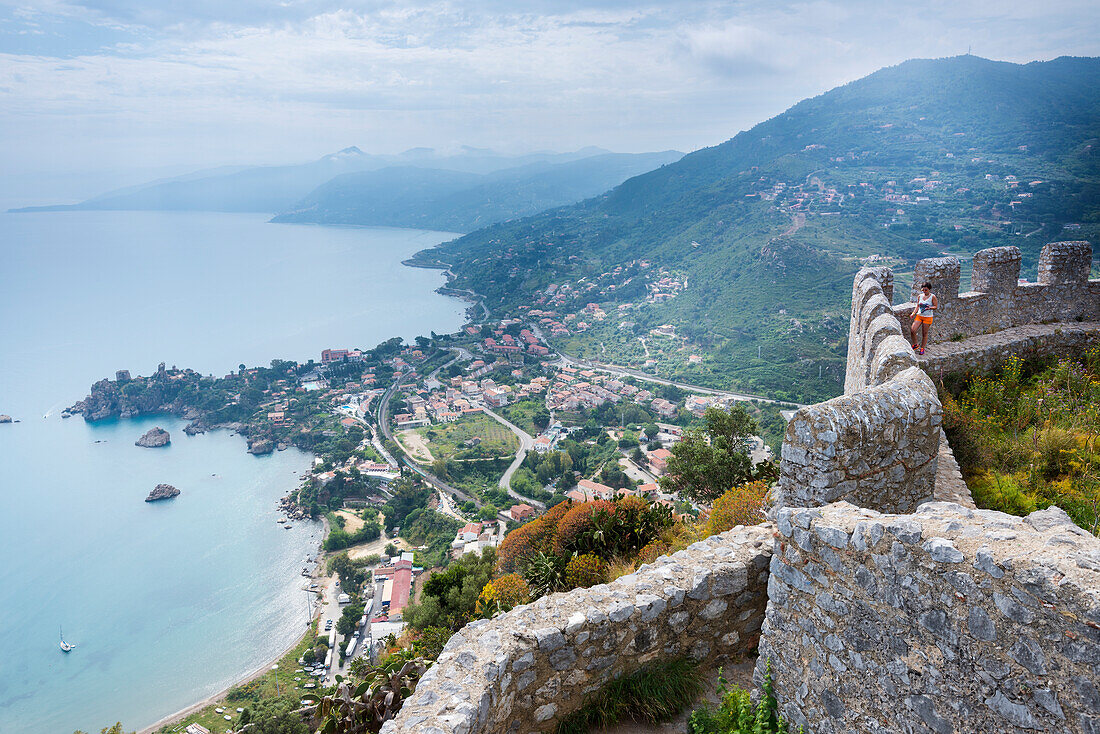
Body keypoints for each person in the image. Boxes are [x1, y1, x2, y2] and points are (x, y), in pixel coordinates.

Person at [910, 282, 937, 355]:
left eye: (926, 290)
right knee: (913, 330)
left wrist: (930, 308)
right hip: (919, 315)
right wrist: (913, 313)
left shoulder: (933, 297)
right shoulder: (920, 296)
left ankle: (922, 348)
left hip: (928, 317)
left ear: (929, 289)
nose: (924, 291)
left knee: (924, 334)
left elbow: (935, 306)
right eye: (923, 290)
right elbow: (918, 306)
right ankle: (915, 344)